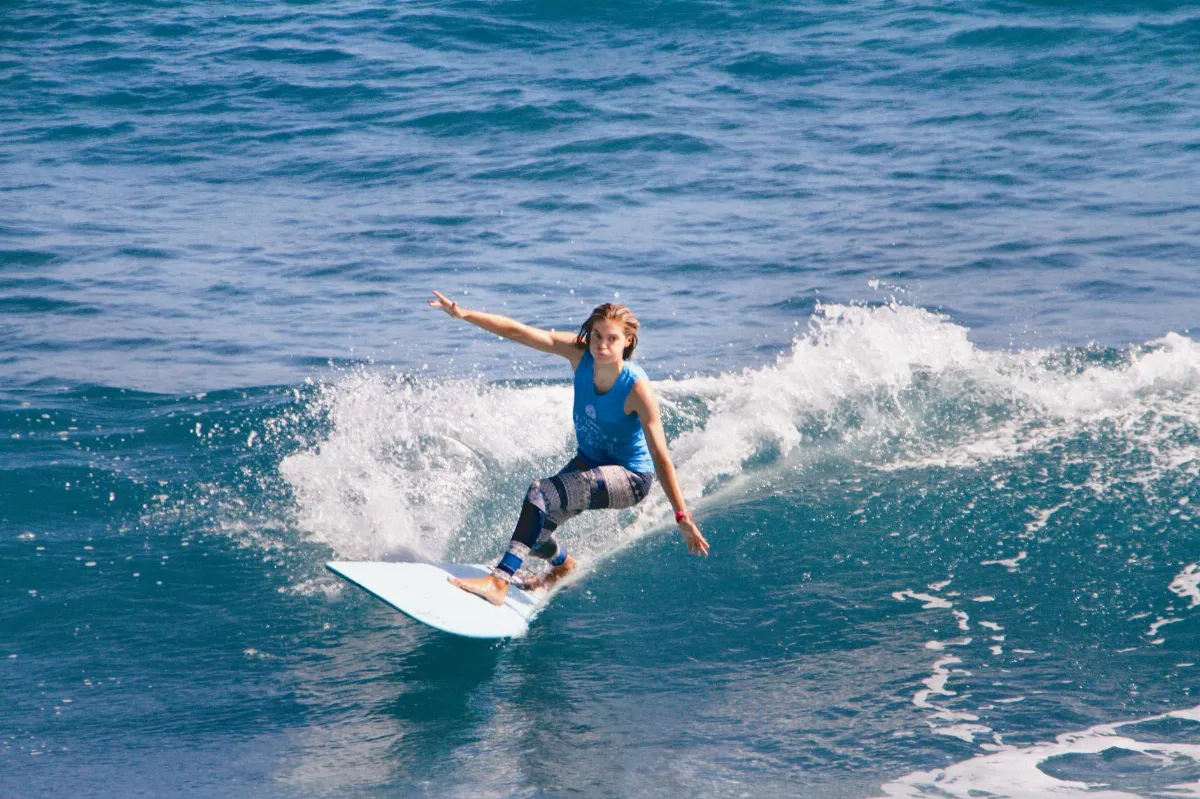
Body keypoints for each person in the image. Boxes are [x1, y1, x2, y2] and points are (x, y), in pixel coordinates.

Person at [428, 291, 710, 606]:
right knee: (534, 533)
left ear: (628, 342)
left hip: (631, 478)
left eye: (612, 338)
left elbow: (660, 457)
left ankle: (498, 581)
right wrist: (465, 314)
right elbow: (519, 332)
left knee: (540, 493)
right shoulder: (580, 355)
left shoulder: (636, 389)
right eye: (597, 335)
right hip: (589, 463)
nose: (602, 344)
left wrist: (681, 515)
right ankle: (563, 565)